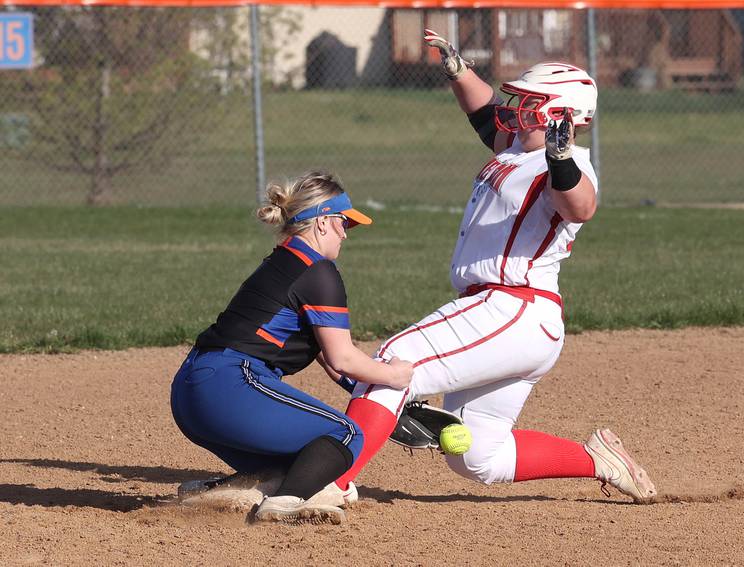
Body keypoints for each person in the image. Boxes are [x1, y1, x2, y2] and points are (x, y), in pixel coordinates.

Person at [326, 30, 657, 503]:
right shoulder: (518, 148)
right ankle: (597, 459)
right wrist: (457, 69)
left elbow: (581, 206)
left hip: (514, 305)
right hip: (511, 316)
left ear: (560, 114)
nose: (516, 106)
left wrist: (561, 157)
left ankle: (328, 483)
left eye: (530, 101)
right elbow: (484, 116)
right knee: (477, 456)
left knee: (392, 363)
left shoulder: (569, 163)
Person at [170, 172, 413, 524]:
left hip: (191, 393)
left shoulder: (282, 262)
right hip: (229, 386)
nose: (346, 233)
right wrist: (397, 375)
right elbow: (343, 358)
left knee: (304, 466)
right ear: (323, 222)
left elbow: (330, 361)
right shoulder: (319, 271)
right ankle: (282, 506)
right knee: (345, 435)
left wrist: (389, 402)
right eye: (343, 223)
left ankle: (213, 493)